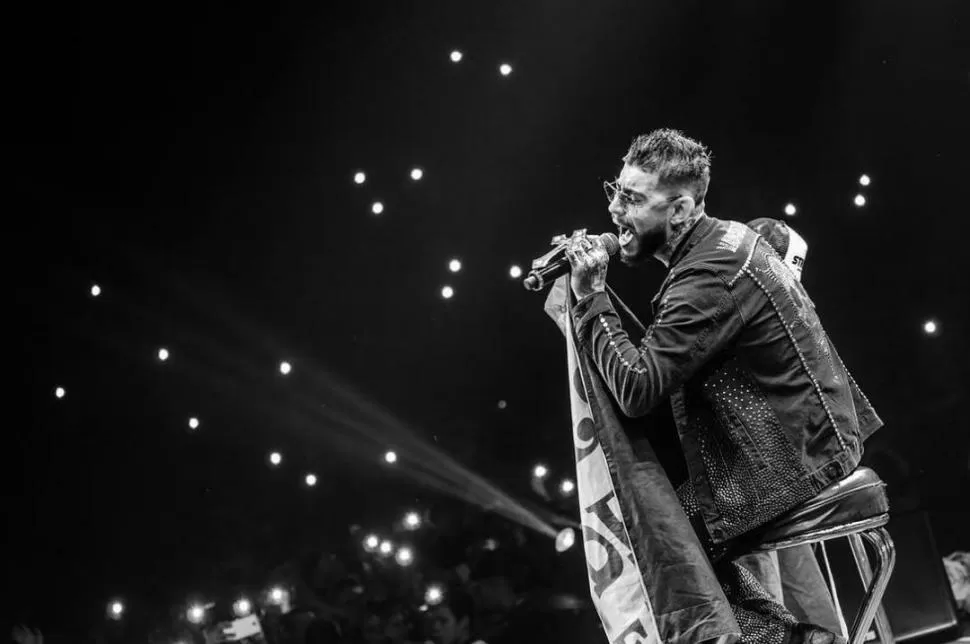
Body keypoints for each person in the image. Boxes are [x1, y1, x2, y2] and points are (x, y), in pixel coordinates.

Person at [561, 129, 882, 643]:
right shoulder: (722, 242)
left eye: (633, 199)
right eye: (615, 191)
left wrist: (592, 298)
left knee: (658, 544)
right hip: (803, 443)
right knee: (668, 529)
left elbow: (637, 388)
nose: (615, 210)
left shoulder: (708, 274)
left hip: (796, 459)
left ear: (681, 209)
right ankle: (793, 636)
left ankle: (794, 640)